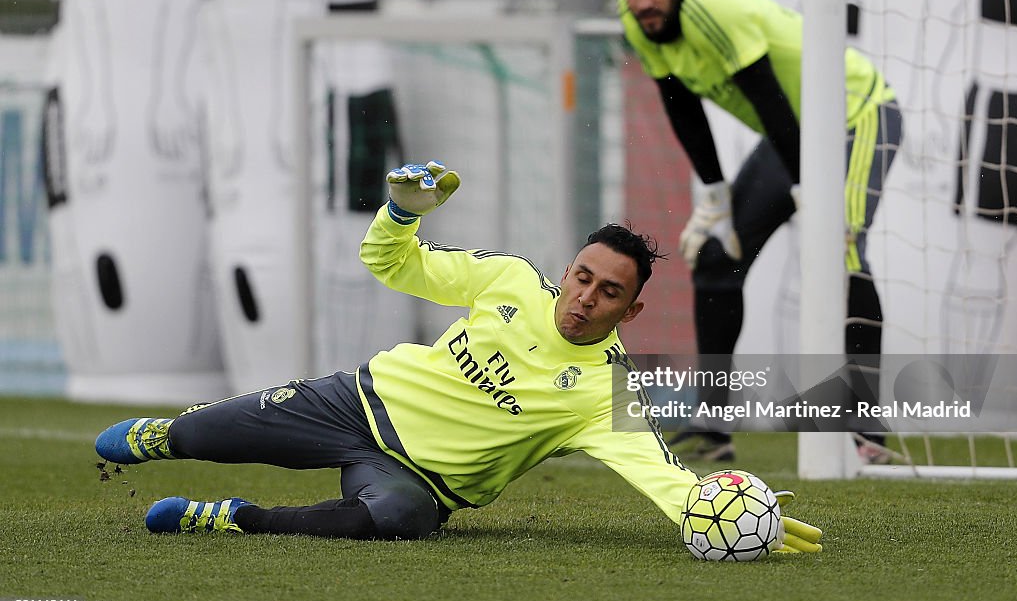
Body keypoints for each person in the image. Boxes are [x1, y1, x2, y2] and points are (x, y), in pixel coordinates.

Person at [94, 161, 820, 551]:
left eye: (608, 293)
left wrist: (732, 510)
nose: (586, 297)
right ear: (567, 270)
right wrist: (402, 212)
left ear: (630, 311)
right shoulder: (507, 279)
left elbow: (662, 477)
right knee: (190, 435)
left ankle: (230, 519)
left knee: (396, 522)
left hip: (421, 483)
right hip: (356, 400)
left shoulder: (608, 394)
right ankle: (169, 434)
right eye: (582, 276)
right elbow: (392, 264)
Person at [614, 0, 902, 463]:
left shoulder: (714, 8)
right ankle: (714, 426)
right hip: (794, 133)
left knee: (845, 253)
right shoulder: (639, 23)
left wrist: (808, 191)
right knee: (718, 256)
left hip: (857, 115)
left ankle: (870, 431)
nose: (642, 0)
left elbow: (767, 99)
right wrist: (717, 195)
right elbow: (682, 107)